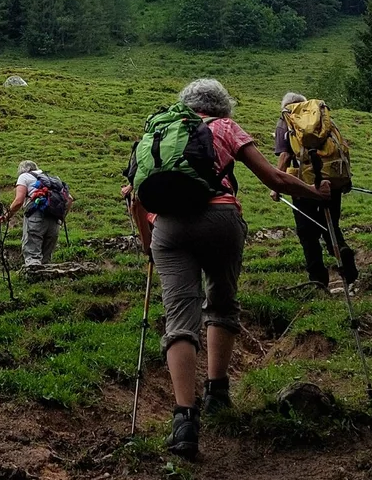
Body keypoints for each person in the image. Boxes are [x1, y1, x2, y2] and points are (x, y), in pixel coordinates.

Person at [129, 78, 322, 460]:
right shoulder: (226, 127)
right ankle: (217, 392)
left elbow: (137, 196)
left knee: (178, 319)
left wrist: (151, 245)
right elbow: (274, 177)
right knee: (221, 302)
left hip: (168, 226)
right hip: (220, 218)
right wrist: (317, 194)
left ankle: (184, 420)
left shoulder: (162, 132)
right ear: (224, 106)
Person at [273, 91, 358, 296]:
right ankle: (349, 270)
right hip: (331, 182)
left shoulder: (286, 122)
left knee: (307, 233)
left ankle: (318, 281)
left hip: (304, 186)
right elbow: (341, 148)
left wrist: (276, 186)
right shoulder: (322, 117)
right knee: (331, 226)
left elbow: (285, 156)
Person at [0, 159, 63, 269]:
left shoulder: (24, 177)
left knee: (33, 255)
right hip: (54, 219)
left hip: (36, 217)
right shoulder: (50, 178)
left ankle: (33, 280)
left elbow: (19, 201)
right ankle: (46, 282)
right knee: (46, 258)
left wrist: (6, 217)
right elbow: (69, 199)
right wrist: (61, 219)